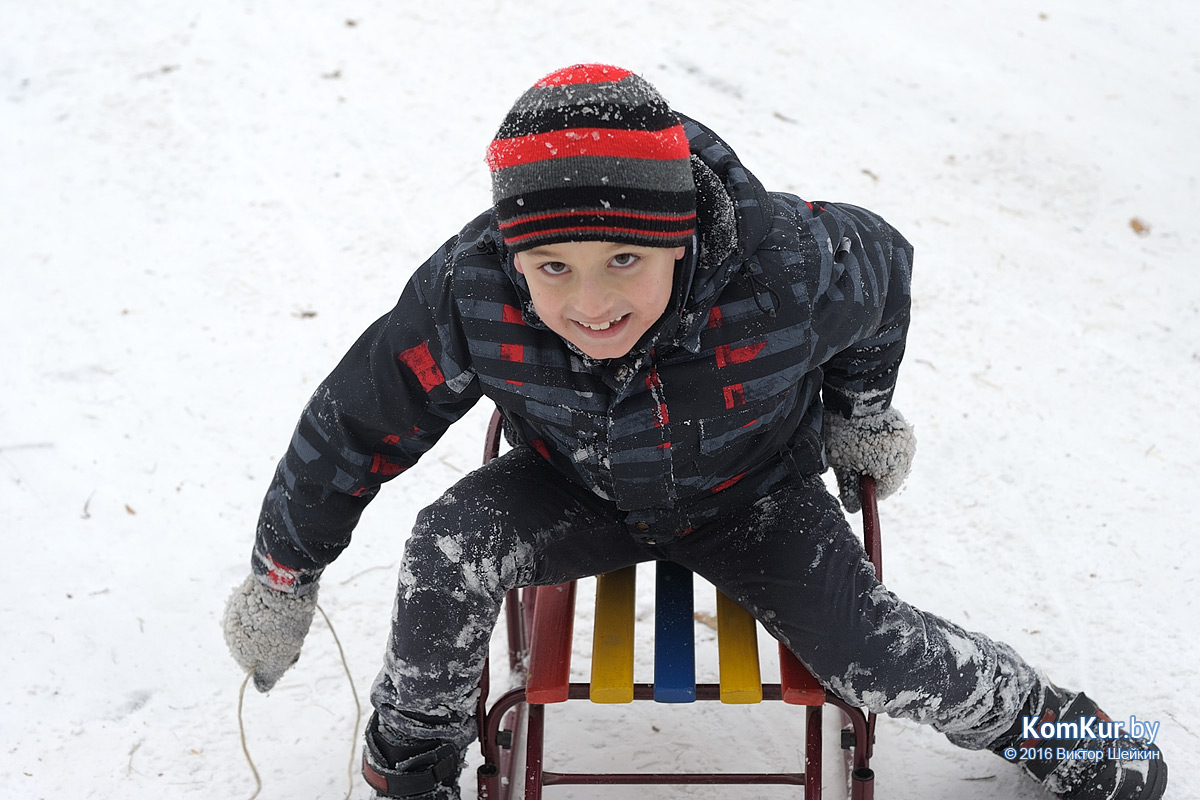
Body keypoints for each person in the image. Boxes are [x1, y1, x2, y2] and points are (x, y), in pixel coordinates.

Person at [222, 64, 1167, 799]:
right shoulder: (472, 292)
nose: (589, 304)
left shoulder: (787, 267)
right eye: (551, 267)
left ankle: (1057, 729)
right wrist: (284, 577)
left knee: (867, 646)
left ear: (679, 234)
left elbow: (887, 274)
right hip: (571, 488)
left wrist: (859, 415)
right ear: (515, 252)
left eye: (623, 259)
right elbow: (357, 419)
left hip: (754, 494)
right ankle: (415, 754)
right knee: (448, 544)